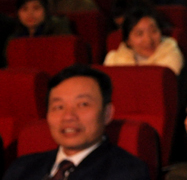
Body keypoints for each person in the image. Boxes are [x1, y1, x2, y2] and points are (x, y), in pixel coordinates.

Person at [2, 64, 150, 180]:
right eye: (58, 107)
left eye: (83, 104)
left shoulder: (128, 172)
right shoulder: (22, 167)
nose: (68, 116)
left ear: (107, 114)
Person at [104, 6, 184, 75]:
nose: (148, 40)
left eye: (153, 31)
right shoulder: (113, 61)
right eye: (139, 34)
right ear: (128, 41)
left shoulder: (171, 56)